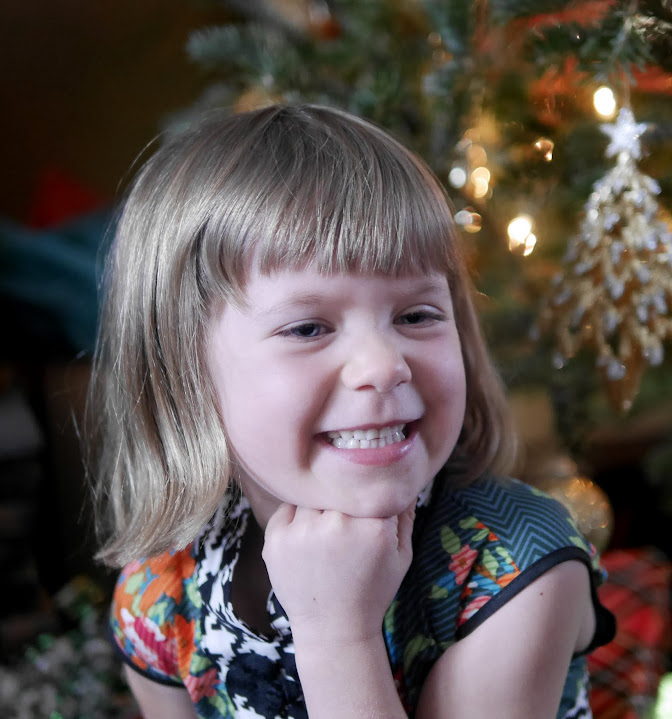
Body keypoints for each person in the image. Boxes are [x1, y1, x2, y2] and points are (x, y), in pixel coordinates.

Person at [90, 103, 615, 719]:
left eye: (416, 315)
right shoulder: (161, 595)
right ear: (183, 372)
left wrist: (338, 637)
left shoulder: (518, 566)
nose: (384, 365)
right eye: (308, 327)